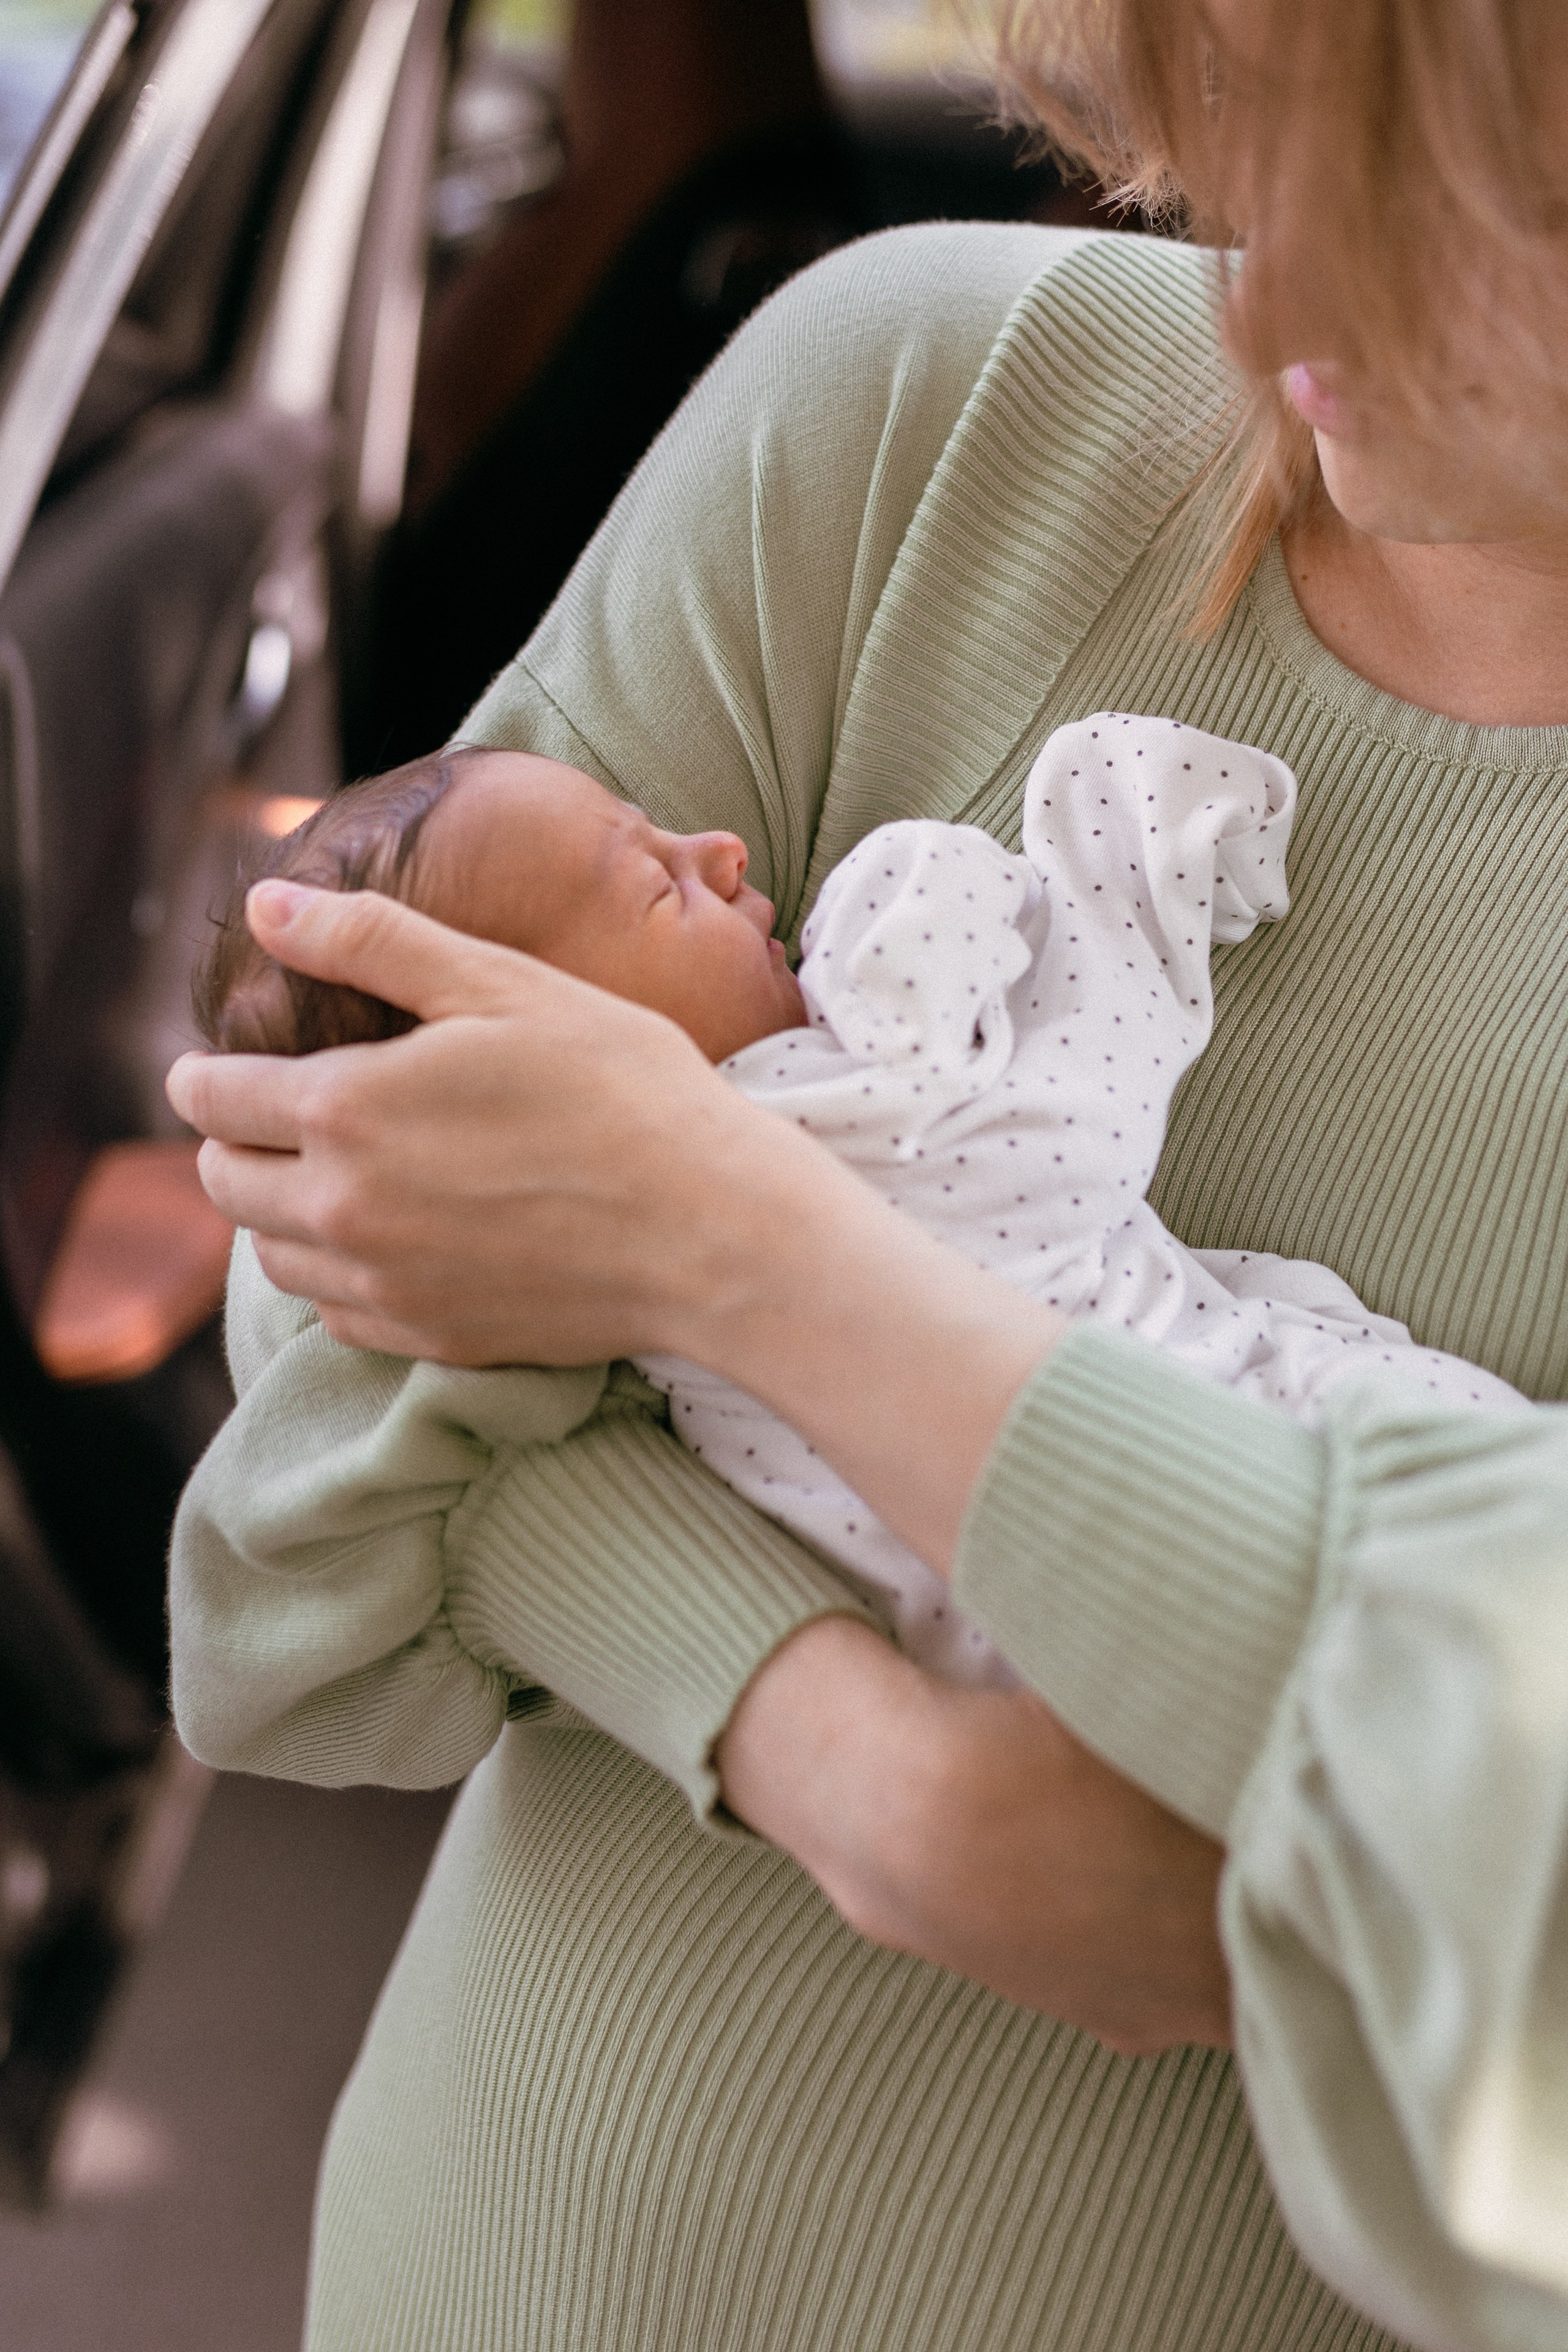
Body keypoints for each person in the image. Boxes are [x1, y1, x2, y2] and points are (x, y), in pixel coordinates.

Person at [167, 2, 1568, 2348]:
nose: (1262, 300)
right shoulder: (913, 402)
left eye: (1428, 205)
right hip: (503, 2262)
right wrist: (834, 1752)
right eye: (1238, 137)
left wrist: (708, 1243)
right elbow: (341, 1209)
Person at [187, 725, 1520, 1686]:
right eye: (653, 881)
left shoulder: (556, 1318)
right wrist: (1117, 827)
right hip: (1242, 1489)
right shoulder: (859, 1086)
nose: (718, 846)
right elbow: (1068, 1103)